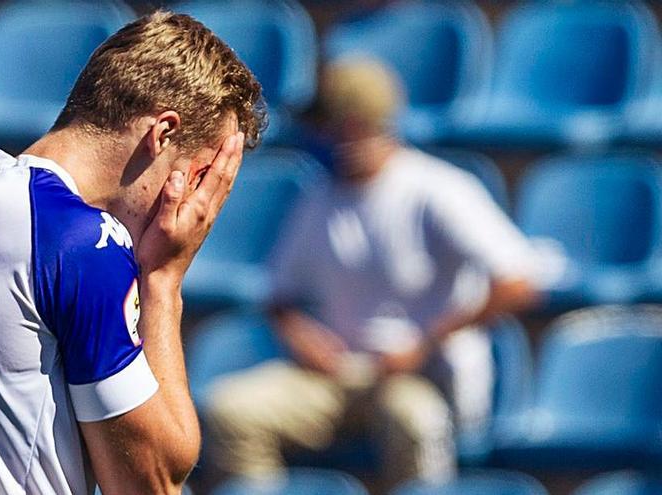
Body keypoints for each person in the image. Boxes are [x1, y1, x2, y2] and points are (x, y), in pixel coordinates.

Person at [0, 11, 263, 494]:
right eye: (199, 178)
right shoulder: (79, 240)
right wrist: (164, 280)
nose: (195, 207)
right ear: (162, 134)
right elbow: (152, 480)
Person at [206, 60, 541, 490]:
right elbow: (279, 297)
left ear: (357, 124)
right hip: (335, 380)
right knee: (231, 411)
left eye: (328, 125)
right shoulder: (319, 197)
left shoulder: (437, 189)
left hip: (418, 380)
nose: (319, 138)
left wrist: (424, 343)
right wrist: (305, 339)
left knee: (415, 423)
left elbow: (520, 283)